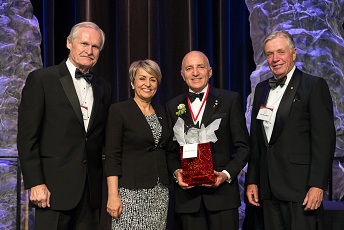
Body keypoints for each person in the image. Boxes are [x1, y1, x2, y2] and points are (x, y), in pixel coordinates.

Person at [17, 21, 111, 230]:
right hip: (52, 190)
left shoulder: (104, 87)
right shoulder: (42, 80)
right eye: (84, 43)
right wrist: (35, 183)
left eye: (95, 47)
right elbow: (27, 137)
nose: (89, 50)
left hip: (90, 194)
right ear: (69, 43)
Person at [246, 30, 335, 230]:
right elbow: (257, 141)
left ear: (293, 53)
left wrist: (318, 185)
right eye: (269, 54)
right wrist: (253, 180)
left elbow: (324, 141)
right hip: (267, 190)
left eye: (280, 52)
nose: (275, 59)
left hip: (301, 189)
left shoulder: (313, 86)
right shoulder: (261, 89)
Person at [166, 50, 250, 230]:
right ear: (182, 74)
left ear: (210, 71)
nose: (195, 73)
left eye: (200, 67)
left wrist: (226, 175)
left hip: (222, 197)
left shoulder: (230, 100)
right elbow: (170, 150)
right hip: (188, 200)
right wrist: (176, 172)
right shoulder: (172, 106)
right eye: (189, 68)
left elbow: (244, 147)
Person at [105, 59, 171, 229]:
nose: (147, 84)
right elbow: (112, 156)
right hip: (130, 193)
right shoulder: (119, 111)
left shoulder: (162, 111)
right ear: (133, 83)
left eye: (153, 79)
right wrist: (113, 195)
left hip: (159, 193)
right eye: (142, 78)